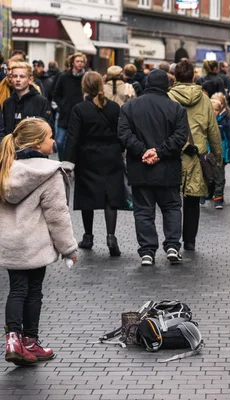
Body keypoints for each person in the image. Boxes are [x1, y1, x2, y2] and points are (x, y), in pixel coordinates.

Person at [0, 118, 78, 365]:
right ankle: (31, 342)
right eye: (49, 137)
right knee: (33, 293)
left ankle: (13, 340)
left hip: (10, 243)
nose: (54, 141)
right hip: (35, 244)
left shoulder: (5, 168)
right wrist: (68, 249)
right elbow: (57, 215)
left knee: (16, 290)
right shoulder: (48, 171)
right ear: (36, 142)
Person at [118, 69, 188, 266]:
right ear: (168, 85)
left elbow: (124, 135)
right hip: (168, 169)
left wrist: (143, 151)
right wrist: (160, 152)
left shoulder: (129, 108)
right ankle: (173, 246)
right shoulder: (176, 109)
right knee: (172, 207)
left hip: (140, 169)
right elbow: (180, 137)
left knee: (143, 210)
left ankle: (147, 251)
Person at [63, 71, 125, 256]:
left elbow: (73, 138)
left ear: (84, 87)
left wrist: (68, 164)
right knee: (110, 197)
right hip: (111, 155)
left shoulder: (80, 109)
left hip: (87, 156)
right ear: (101, 85)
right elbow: (121, 132)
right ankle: (111, 236)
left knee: (87, 196)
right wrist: (120, 150)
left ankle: (88, 236)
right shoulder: (114, 107)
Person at [168, 60, 221, 250]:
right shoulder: (205, 99)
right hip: (197, 156)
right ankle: (189, 240)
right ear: (194, 77)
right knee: (192, 200)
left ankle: (172, 240)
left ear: (175, 78)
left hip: (173, 155)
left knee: (172, 200)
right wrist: (218, 157)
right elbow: (213, 132)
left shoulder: (168, 98)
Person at [2, 62, 53, 136]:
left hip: (33, 145)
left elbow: (48, 129)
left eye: (22, 76)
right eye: (15, 76)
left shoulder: (41, 102)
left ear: (30, 80)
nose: (18, 80)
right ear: (11, 78)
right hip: (12, 146)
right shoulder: (7, 103)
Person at [53, 52, 86, 160]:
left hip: (81, 114)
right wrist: (62, 105)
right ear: (72, 62)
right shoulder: (64, 77)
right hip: (65, 114)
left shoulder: (86, 77)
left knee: (78, 142)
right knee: (59, 141)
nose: (80, 64)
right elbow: (56, 93)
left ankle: (74, 164)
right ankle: (63, 162)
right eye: (78, 61)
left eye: (82, 61)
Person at [210, 93, 230, 210]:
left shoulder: (227, 118)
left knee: (220, 175)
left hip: (221, 152)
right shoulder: (207, 119)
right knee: (208, 174)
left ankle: (218, 197)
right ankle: (206, 194)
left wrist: (229, 155)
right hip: (209, 151)